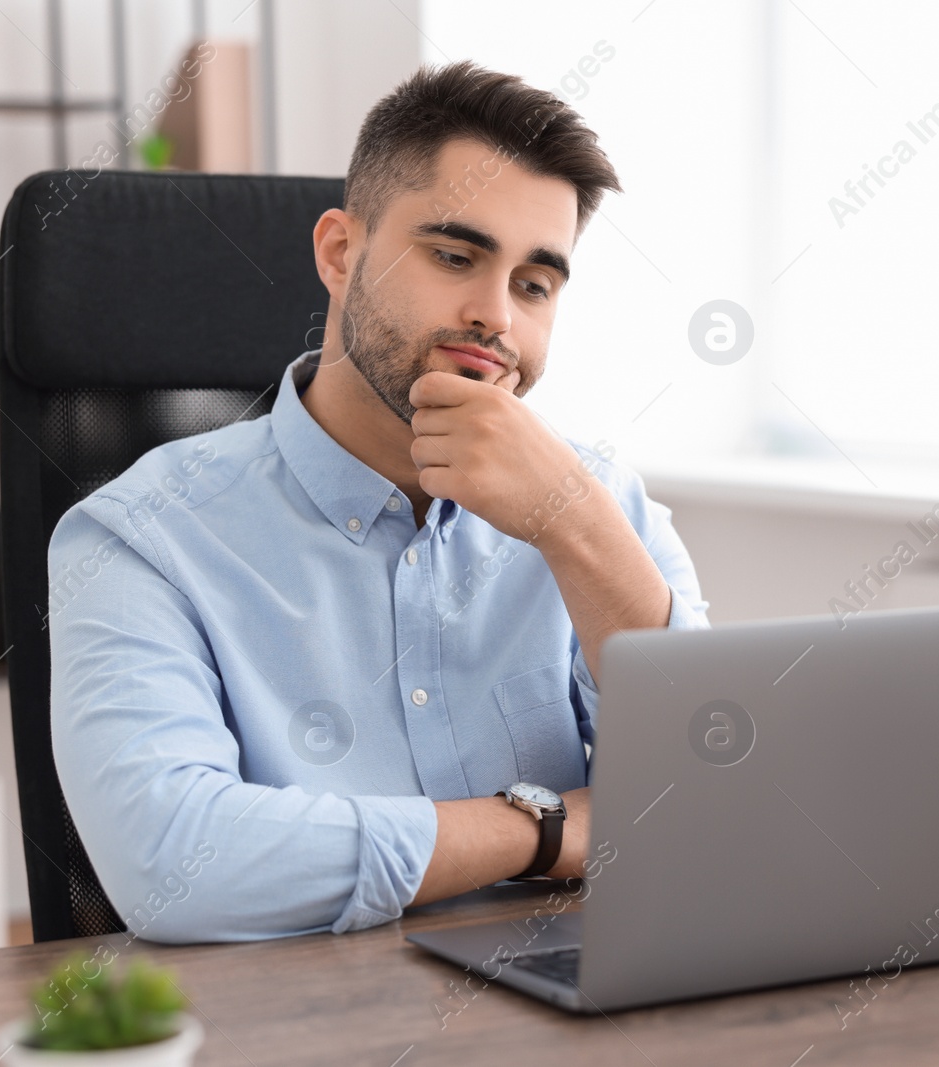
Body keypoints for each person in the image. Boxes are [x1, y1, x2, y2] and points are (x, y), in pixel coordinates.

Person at [48, 60, 709, 941]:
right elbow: (172, 860)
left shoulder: (600, 502)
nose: (496, 318)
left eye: (534, 284)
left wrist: (574, 524)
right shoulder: (138, 537)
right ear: (339, 252)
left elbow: (713, 802)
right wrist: (544, 827)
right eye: (453, 256)